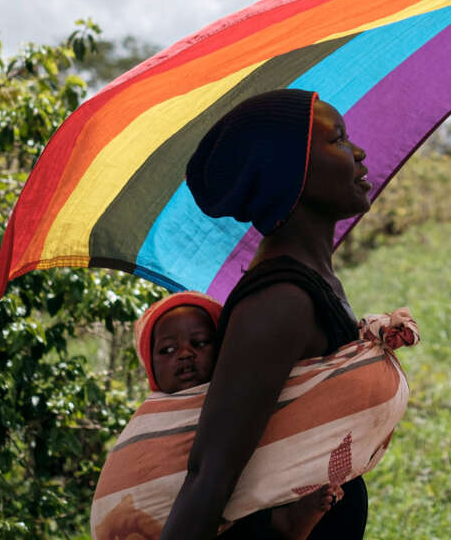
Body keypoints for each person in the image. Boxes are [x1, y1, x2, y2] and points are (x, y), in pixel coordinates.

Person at [161, 88, 384, 539]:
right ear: (290, 174)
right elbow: (208, 475)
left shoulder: (311, 283)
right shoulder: (279, 301)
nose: (358, 152)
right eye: (338, 140)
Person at [132, 292, 340, 539]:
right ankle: (284, 523)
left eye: (199, 343)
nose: (185, 354)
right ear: (151, 368)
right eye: (167, 349)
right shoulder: (148, 424)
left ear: (225, 350)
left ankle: (286, 522)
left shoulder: (240, 396)